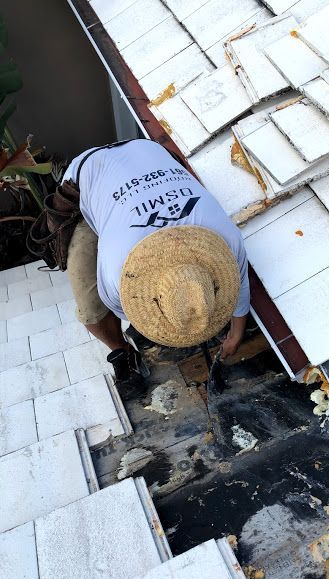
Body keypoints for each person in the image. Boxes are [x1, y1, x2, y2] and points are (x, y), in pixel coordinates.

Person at [61, 139, 250, 398]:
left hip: (146, 150)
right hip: (86, 176)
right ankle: (123, 352)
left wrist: (236, 333)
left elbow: (240, 280)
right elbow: (126, 309)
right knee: (91, 310)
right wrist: (158, 318)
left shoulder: (227, 239)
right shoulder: (119, 267)